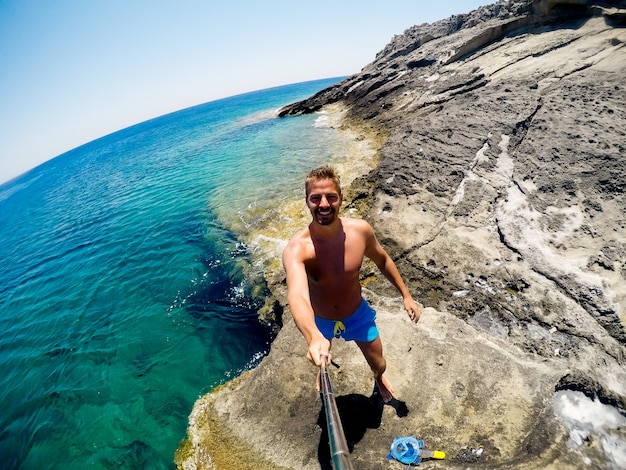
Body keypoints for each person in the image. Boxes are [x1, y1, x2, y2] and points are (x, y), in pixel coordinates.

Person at [282, 165, 421, 403]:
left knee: (379, 363)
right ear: (306, 201)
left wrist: (406, 295)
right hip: (321, 320)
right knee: (321, 352)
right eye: (316, 198)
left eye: (331, 197)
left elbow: (383, 260)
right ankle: (322, 365)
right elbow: (297, 295)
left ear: (341, 198)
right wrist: (313, 336)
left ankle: (378, 379)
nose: (324, 204)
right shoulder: (297, 249)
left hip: (356, 314)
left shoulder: (360, 231)